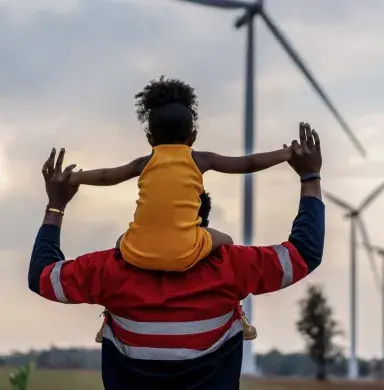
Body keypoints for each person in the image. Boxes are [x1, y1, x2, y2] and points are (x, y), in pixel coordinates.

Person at [29, 123, 324, 390]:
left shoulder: (109, 271)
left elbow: (43, 276)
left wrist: (56, 206)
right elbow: (303, 253)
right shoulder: (232, 267)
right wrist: (310, 177)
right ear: (202, 222)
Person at [68, 77, 298, 340]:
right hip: (186, 252)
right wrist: (286, 154)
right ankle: (238, 314)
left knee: (120, 241)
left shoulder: (145, 161)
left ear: (149, 138)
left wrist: (74, 178)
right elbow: (247, 163)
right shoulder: (199, 159)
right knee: (226, 241)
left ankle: (109, 319)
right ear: (193, 136)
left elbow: (108, 175)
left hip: (137, 252)